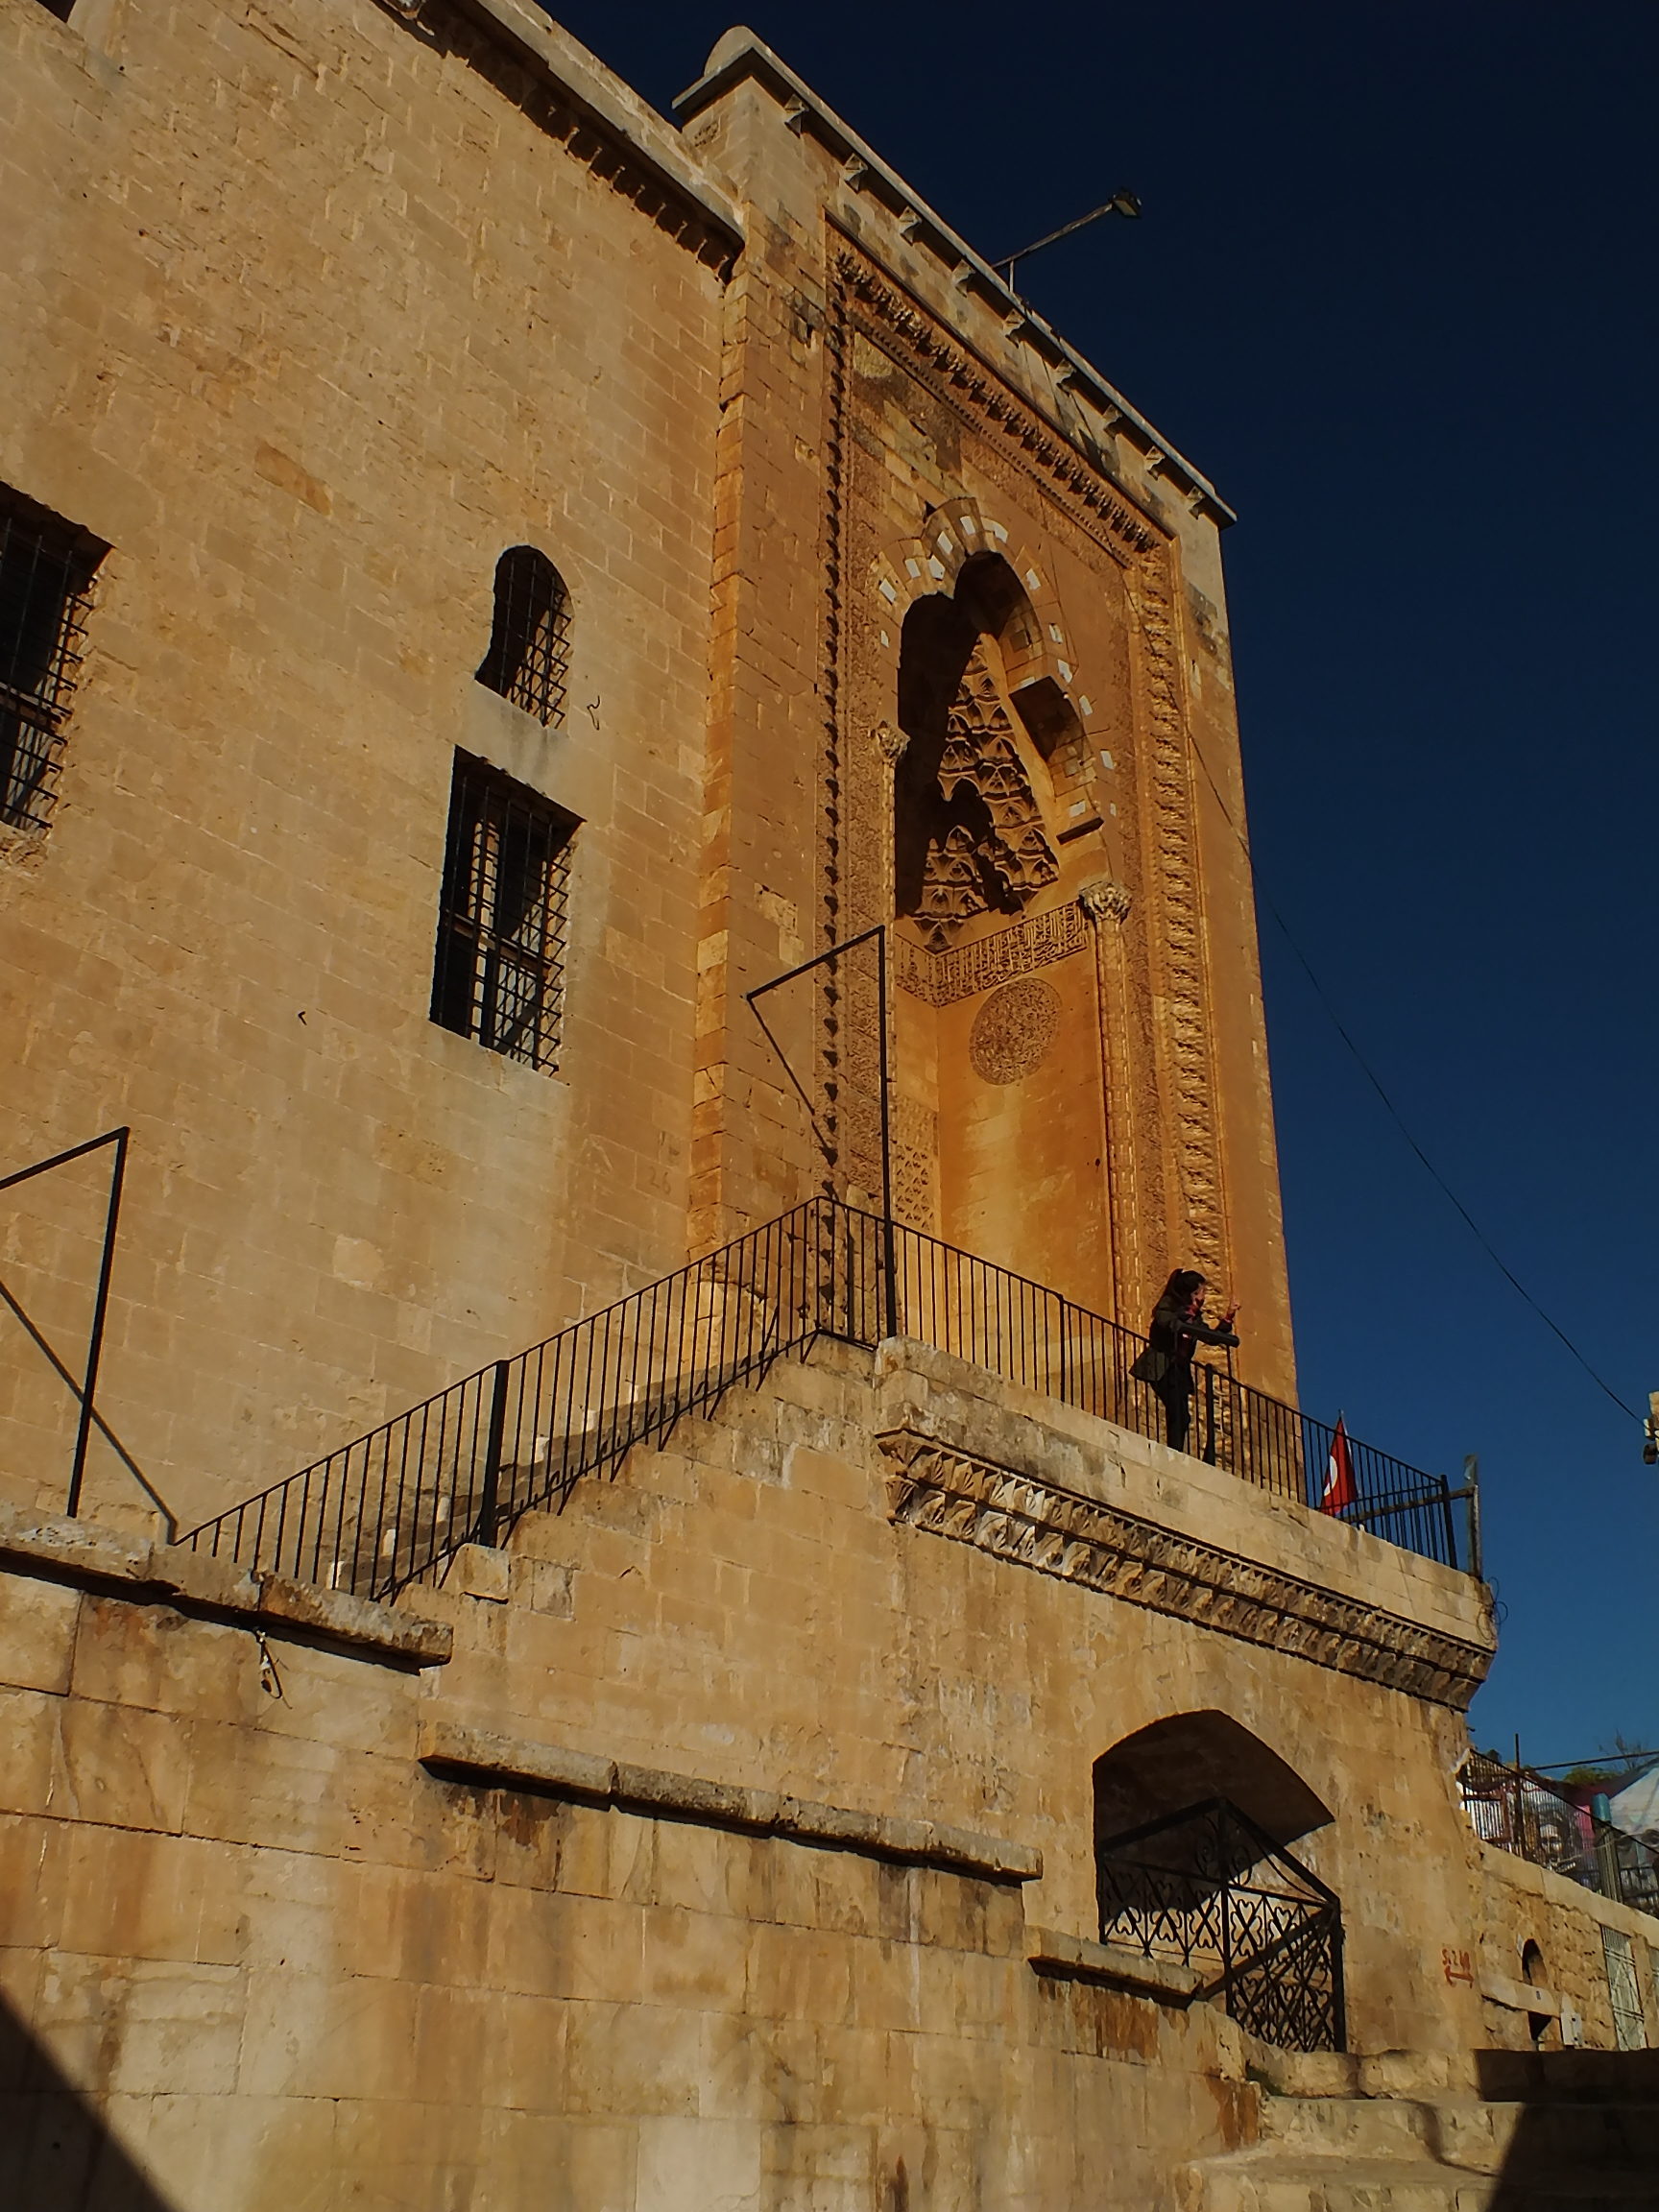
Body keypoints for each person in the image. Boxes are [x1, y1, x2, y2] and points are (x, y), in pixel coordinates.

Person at [1133, 1268, 1239, 1454]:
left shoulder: (1195, 1317)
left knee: (1183, 1415)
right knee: (1176, 1409)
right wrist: (1180, 1321)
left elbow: (1211, 1337)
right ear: (1193, 1294)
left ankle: (1176, 1451)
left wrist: (1228, 1316)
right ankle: (1174, 1452)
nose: (1204, 1297)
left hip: (1178, 1370)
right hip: (1162, 1366)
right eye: (1202, 1292)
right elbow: (1164, 1320)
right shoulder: (1170, 1305)